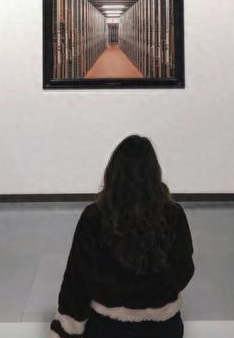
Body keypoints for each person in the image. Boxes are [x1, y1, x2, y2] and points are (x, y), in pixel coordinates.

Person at [50, 135, 194, 338]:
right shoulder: (174, 215)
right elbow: (185, 269)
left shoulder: (94, 216)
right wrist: (157, 292)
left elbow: (77, 280)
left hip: (107, 328)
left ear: (113, 172)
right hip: (164, 329)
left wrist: (68, 328)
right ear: (154, 173)